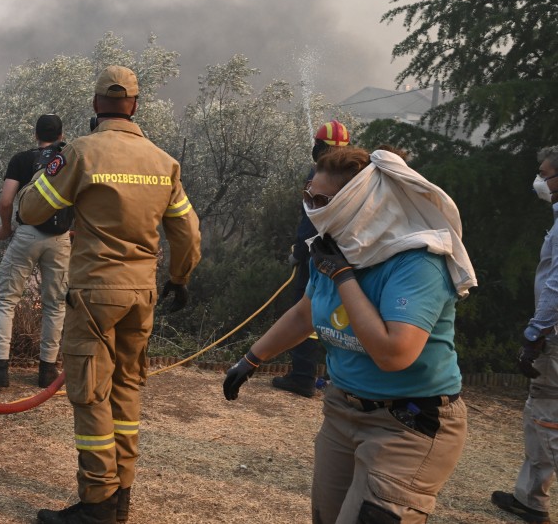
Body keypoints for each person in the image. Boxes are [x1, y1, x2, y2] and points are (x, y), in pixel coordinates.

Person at [223, 146, 477, 524]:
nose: (311, 206)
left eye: (322, 199)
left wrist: (343, 277)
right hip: (343, 410)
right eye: (308, 195)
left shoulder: (417, 261)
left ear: (360, 201)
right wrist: (251, 360)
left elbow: (394, 354)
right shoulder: (337, 246)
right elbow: (306, 313)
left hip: (409, 422)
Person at [20, 66, 201, 524]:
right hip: (142, 294)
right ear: (135, 105)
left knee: (90, 393)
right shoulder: (164, 162)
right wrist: (178, 278)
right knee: (126, 390)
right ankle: (121, 496)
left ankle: (96, 504)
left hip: (95, 293)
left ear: (96, 105)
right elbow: (188, 233)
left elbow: (31, 207)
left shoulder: (82, 152)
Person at [0, 114, 73, 390]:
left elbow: (6, 202)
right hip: (61, 238)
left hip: (27, 235)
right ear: (62, 135)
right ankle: (48, 371)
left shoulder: (22, 159)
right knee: (55, 305)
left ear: (36, 135)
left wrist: (5, 228)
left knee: (5, 300)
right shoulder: (71, 158)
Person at [491, 146, 558, 524]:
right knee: (540, 413)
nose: (540, 180)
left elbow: (556, 286)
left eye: (545, 173)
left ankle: (534, 502)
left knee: (548, 416)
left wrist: (535, 333)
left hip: (553, 335)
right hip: (550, 332)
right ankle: (530, 499)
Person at [273, 119, 351, 398]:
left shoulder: (318, 175)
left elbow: (309, 222)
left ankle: (303, 376)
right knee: (340, 318)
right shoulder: (357, 175)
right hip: (349, 262)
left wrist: (298, 252)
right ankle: (336, 379)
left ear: (320, 147)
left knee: (305, 314)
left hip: (316, 258)